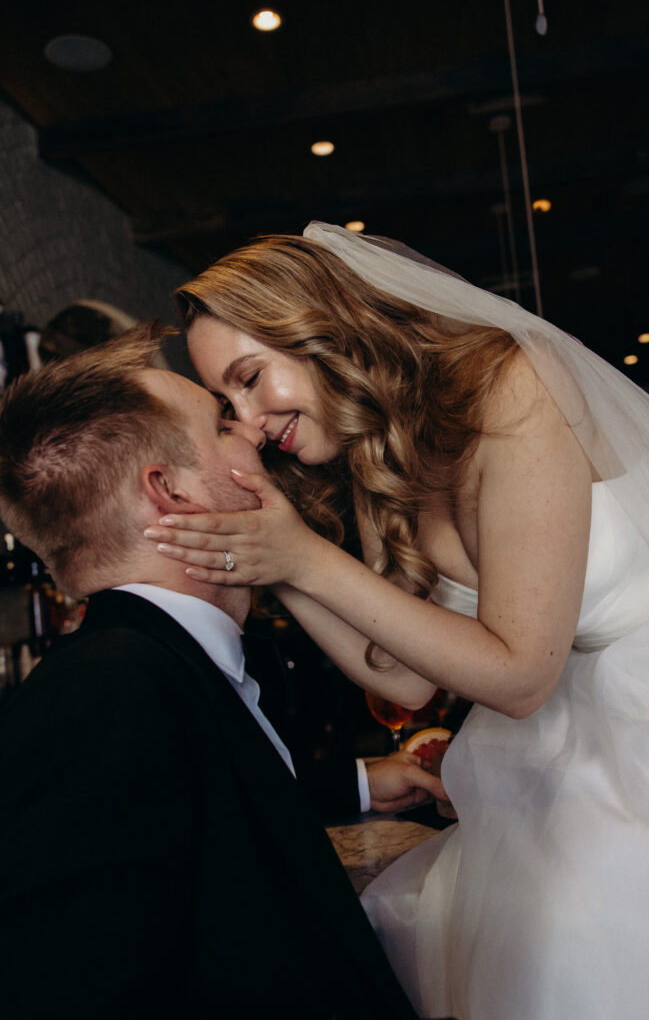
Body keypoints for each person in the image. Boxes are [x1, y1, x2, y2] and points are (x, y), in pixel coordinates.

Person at [144, 222, 649, 1020]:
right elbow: (401, 671)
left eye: (252, 379)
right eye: (227, 404)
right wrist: (269, 559)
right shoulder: (377, 450)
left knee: (580, 942)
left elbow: (520, 675)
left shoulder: (511, 385)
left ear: (318, 327)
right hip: (568, 732)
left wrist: (301, 560)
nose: (250, 422)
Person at [0, 323, 431, 1020]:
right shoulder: (105, 694)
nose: (254, 435)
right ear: (170, 491)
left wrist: (352, 782)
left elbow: (207, 814)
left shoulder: (156, 668)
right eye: (222, 424)